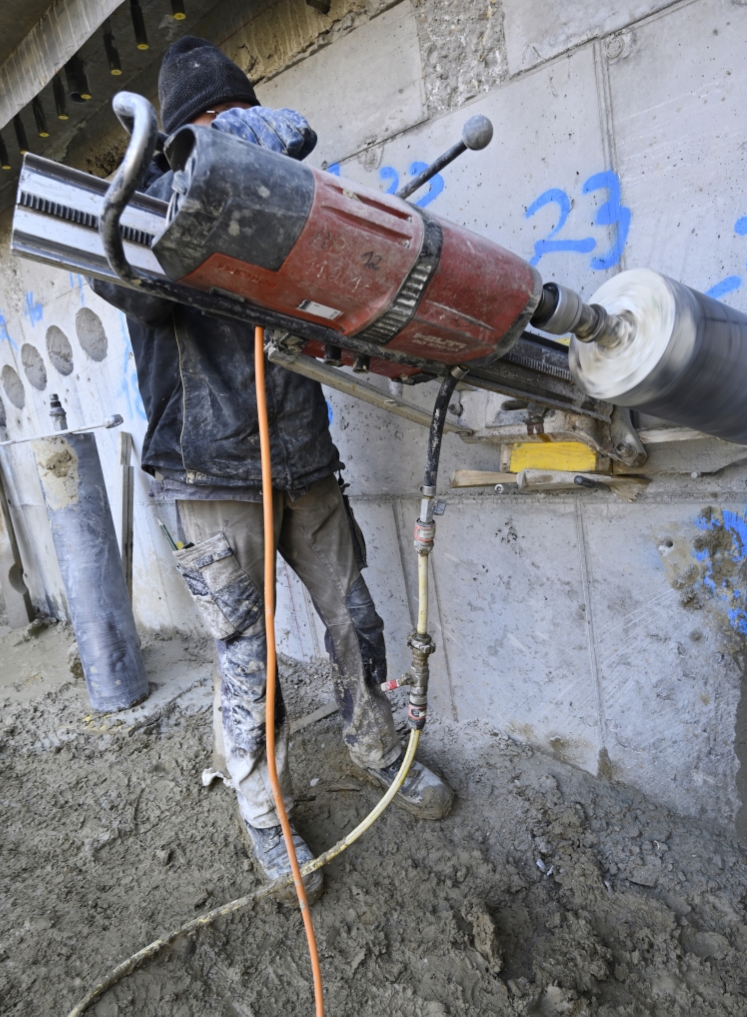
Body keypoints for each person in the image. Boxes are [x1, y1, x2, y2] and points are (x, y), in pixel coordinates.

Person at [93, 37, 453, 902]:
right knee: (245, 657)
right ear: (181, 141)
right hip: (212, 478)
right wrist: (196, 191)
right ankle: (263, 809)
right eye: (213, 129)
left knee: (355, 615)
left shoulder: (289, 210)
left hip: (305, 461)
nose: (234, 139)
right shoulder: (141, 213)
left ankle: (376, 746)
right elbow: (131, 288)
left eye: (240, 123)